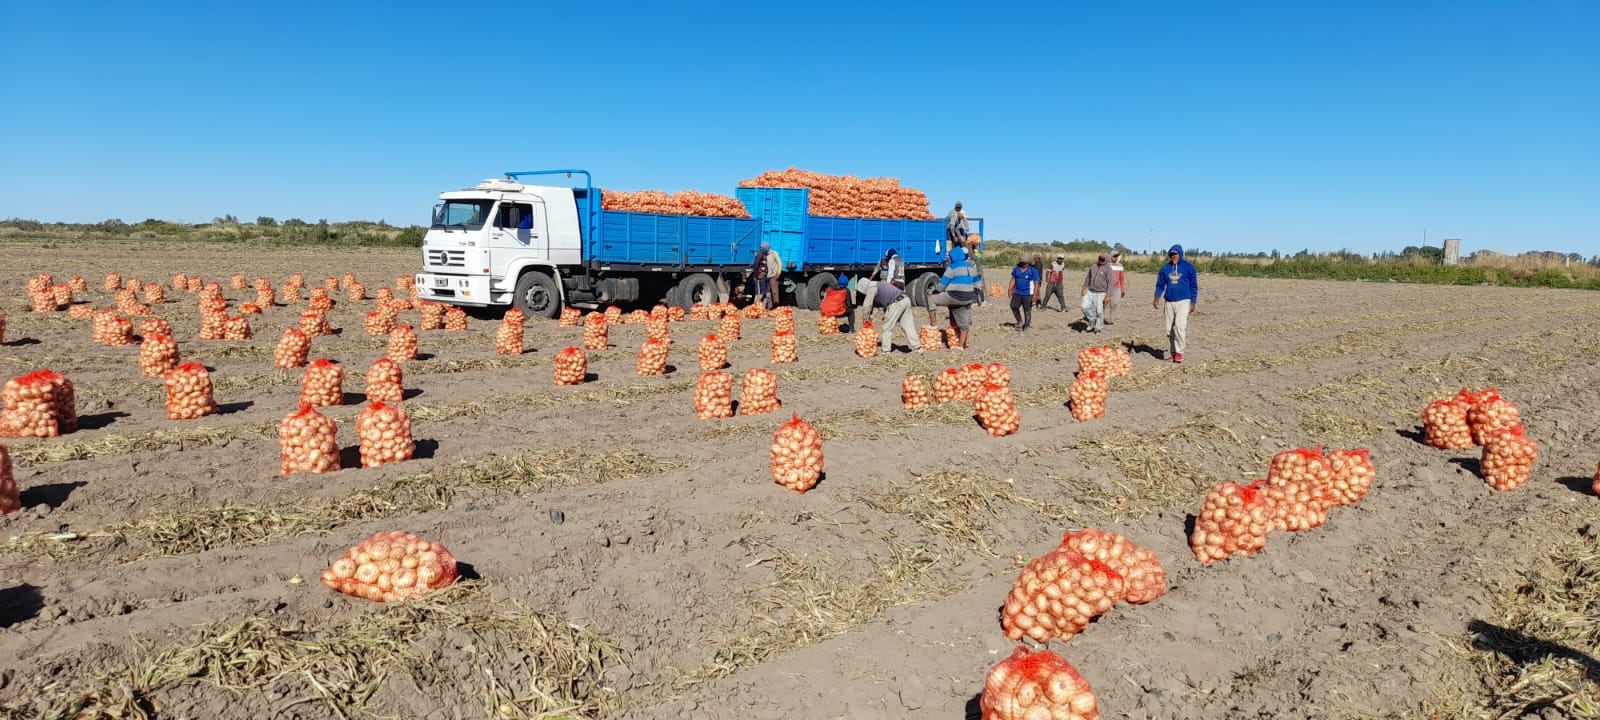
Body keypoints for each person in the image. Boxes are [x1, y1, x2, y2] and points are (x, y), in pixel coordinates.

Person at [928, 235, 981, 349]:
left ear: (954, 257)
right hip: (968, 298)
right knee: (964, 325)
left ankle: (933, 325)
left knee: (931, 299)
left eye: (951, 257)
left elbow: (942, 284)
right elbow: (978, 283)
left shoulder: (952, 267)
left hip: (954, 296)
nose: (950, 259)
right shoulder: (971, 267)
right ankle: (961, 346)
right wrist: (974, 294)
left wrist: (935, 292)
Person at [1153, 244, 1199, 363]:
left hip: (1184, 301)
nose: (1174, 256)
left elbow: (1194, 286)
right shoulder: (1165, 269)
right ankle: (1173, 353)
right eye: (1172, 254)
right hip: (1169, 302)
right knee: (1170, 330)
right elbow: (1160, 284)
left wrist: (1193, 302)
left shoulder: (1189, 268)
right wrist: (1157, 297)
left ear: (1180, 254)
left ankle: (1180, 353)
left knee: (1179, 326)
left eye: (1176, 254)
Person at [865, 276, 922, 353]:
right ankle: (918, 347)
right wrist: (872, 317)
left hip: (896, 303)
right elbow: (879, 306)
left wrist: (865, 319)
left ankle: (886, 350)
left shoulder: (871, 288)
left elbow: (867, 305)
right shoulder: (881, 285)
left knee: (887, 327)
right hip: (905, 299)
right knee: (908, 326)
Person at [1080, 253, 1114, 333]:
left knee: (1099, 312)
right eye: (1100, 258)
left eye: (1102, 259)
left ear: (1107, 260)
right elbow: (1088, 277)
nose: (1100, 260)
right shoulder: (1093, 266)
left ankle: (1098, 328)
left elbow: (1110, 283)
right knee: (1084, 307)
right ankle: (1091, 320)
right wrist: (1084, 287)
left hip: (1101, 293)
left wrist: (1108, 295)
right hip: (1090, 291)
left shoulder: (1108, 269)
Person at [1008, 255, 1040, 331]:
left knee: (1027, 310)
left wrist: (1035, 295)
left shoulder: (1033, 270)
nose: (1025, 264)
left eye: (1026, 263)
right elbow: (1013, 279)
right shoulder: (1016, 269)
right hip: (1017, 292)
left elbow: (1036, 283)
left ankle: (1027, 325)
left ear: (1029, 263)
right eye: (1023, 263)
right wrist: (1010, 289)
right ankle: (1019, 321)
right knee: (1013, 306)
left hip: (1028, 294)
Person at [1105, 251, 1126, 324]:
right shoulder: (1106, 265)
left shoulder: (1120, 266)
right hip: (1107, 288)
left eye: (1117, 256)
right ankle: (1100, 319)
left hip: (1117, 288)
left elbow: (1122, 278)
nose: (1116, 257)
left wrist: (1123, 289)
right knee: (1104, 304)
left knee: (1114, 304)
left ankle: (1112, 320)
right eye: (1114, 256)